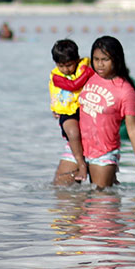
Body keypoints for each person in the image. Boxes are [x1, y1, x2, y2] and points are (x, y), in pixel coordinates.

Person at [56, 35, 135, 190]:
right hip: (77, 147)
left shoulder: (125, 91)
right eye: (96, 59)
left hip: (103, 153)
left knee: (102, 206)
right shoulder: (87, 76)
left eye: (105, 59)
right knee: (61, 196)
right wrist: (59, 108)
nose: (99, 64)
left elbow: (133, 128)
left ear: (117, 59)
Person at [49, 39, 93, 185]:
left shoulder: (85, 66)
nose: (65, 70)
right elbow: (74, 85)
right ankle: (80, 164)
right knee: (73, 133)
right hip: (67, 113)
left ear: (77, 60)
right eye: (61, 66)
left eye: (69, 65)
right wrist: (86, 73)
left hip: (84, 111)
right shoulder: (56, 76)